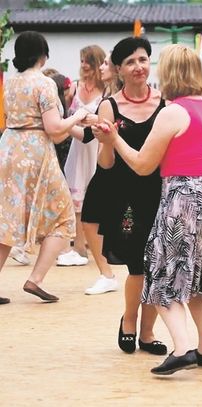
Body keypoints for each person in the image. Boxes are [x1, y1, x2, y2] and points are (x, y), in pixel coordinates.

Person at [94, 44, 202, 375]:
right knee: (198, 281)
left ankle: (183, 348)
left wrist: (114, 139)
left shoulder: (171, 112)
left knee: (160, 277)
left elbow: (143, 164)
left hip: (184, 199)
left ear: (169, 72)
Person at [0, 31, 88, 305]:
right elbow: (55, 129)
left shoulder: (11, 83)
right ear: (43, 53)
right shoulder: (45, 84)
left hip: (8, 148)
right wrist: (79, 115)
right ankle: (35, 279)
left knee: (6, 218)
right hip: (36, 152)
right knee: (63, 216)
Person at [91, 37, 166, 354]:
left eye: (144, 59)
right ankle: (129, 322)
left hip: (161, 193)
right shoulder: (109, 106)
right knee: (138, 266)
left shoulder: (166, 101)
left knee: (157, 265)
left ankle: (148, 334)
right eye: (131, 62)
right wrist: (107, 141)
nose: (139, 66)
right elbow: (105, 164)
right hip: (126, 197)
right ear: (119, 70)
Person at [57, 45, 106, 267]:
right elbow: (63, 114)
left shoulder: (107, 90)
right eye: (82, 60)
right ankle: (78, 247)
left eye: (87, 60)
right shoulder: (74, 89)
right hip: (78, 147)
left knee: (98, 197)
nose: (83, 65)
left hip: (97, 147)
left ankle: (101, 246)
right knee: (76, 199)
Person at [78, 54, 122, 295]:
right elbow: (87, 136)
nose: (101, 67)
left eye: (106, 63)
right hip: (105, 163)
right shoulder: (107, 97)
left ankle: (112, 272)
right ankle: (107, 273)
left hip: (120, 164)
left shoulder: (118, 99)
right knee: (90, 216)